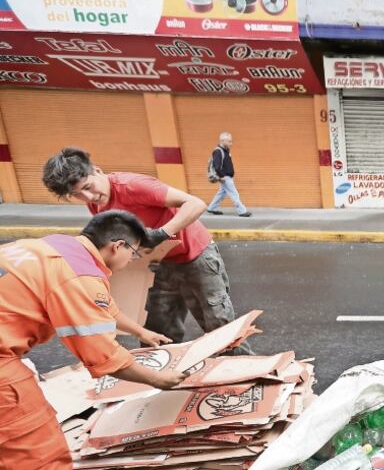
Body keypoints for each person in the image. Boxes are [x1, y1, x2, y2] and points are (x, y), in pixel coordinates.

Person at [0, 211, 189, 470]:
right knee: (31, 440)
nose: (133, 260)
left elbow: (103, 310)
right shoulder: (79, 277)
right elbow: (106, 358)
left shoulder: (57, 248)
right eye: (134, 253)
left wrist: (142, 332)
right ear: (117, 246)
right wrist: (161, 380)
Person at [42, 148, 251, 352]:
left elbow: (195, 203)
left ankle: (250, 376)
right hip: (156, 266)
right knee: (157, 334)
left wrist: (162, 233)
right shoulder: (96, 201)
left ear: (97, 170)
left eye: (89, 186)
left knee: (221, 330)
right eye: (78, 194)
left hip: (194, 257)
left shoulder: (132, 186)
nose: (88, 197)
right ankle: (164, 381)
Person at [206, 132, 251, 217]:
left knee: (221, 194)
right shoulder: (218, 151)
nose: (231, 143)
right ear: (222, 140)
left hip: (227, 176)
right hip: (225, 177)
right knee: (234, 194)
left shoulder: (225, 151)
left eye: (231, 141)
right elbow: (217, 166)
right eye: (229, 141)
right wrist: (222, 176)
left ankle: (211, 208)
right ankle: (242, 211)